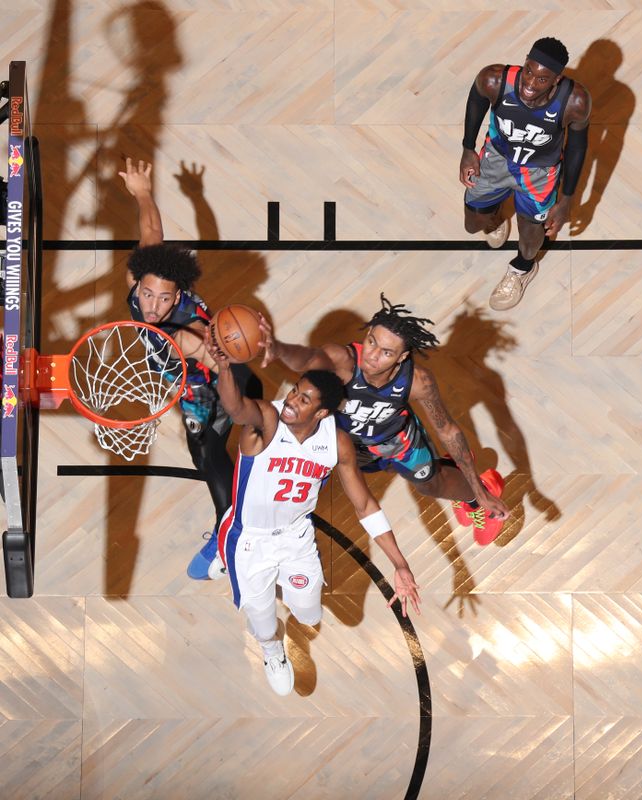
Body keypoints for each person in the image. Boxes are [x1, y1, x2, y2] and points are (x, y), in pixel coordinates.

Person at [205, 329, 421, 696]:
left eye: (304, 399)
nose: (291, 400)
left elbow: (365, 504)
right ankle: (272, 650)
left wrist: (400, 564)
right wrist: (224, 368)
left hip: (295, 537)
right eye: (294, 390)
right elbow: (235, 407)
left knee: (309, 615)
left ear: (321, 412)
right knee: (261, 624)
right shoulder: (268, 420)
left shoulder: (335, 442)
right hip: (250, 539)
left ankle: (271, 596)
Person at [262, 295, 510, 545]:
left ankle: (476, 497)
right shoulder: (342, 361)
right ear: (368, 333)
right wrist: (279, 349)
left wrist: (478, 491)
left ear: (402, 357)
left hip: (396, 439)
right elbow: (307, 359)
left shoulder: (417, 381)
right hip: (349, 442)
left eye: (386, 353)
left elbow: (447, 431)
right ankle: (451, 472)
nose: (372, 356)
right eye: (371, 342)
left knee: (429, 485)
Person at [118, 158, 261, 578]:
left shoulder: (188, 329)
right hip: (204, 375)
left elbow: (215, 360)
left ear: (177, 294)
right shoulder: (146, 280)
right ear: (138, 284)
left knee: (205, 451)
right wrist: (143, 193)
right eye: (146, 295)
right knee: (211, 453)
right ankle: (236, 522)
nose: (152, 307)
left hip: (212, 381)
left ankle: (228, 537)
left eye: (163, 300)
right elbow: (152, 234)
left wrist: (228, 385)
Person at [460, 36, 592, 311]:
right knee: (473, 223)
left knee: (531, 237)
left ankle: (522, 268)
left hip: (539, 173)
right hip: (497, 157)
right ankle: (495, 216)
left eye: (542, 79)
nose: (530, 83)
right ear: (524, 63)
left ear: (556, 80)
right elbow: (476, 100)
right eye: (528, 71)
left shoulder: (575, 101)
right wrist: (468, 148)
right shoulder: (494, 79)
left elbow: (577, 148)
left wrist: (566, 200)